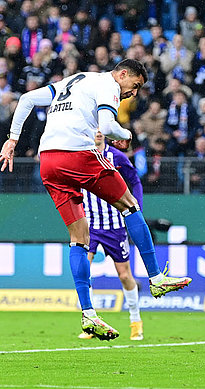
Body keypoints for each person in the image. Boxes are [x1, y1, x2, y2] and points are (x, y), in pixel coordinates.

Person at [0, 59, 192, 341]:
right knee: (130, 206)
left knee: (79, 238)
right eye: (135, 86)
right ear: (123, 74)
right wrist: (125, 134)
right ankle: (156, 277)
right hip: (77, 155)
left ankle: (88, 313)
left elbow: (27, 99)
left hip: (48, 161)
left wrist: (13, 140)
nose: (133, 93)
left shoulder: (74, 79)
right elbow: (106, 125)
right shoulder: (108, 85)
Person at [78, 131, 144, 341]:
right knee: (83, 271)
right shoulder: (79, 155)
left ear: (105, 133)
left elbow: (135, 181)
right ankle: (91, 322)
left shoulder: (116, 156)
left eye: (100, 130)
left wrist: (137, 207)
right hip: (89, 225)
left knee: (124, 275)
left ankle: (136, 321)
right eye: (93, 128)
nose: (97, 133)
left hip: (115, 224)